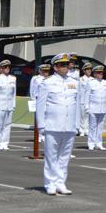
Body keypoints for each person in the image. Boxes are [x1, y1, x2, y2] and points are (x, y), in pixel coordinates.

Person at [36, 53, 80, 195]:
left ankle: (61, 182)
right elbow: (40, 105)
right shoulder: (47, 82)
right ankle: (50, 183)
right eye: (62, 65)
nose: (66, 67)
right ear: (55, 67)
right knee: (51, 156)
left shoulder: (74, 82)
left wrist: (77, 124)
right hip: (52, 125)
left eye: (67, 64)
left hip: (69, 125)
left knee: (64, 156)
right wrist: (41, 125)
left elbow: (77, 105)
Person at [85, 65, 106, 150]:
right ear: (95, 74)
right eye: (98, 73)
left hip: (102, 108)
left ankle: (99, 143)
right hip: (93, 108)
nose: (100, 74)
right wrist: (87, 107)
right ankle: (91, 143)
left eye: (101, 72)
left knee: (100, 127)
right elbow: (87, 96)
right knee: (92, 126)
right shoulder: (91, 83)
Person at [30, 64, 51, 143]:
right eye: (44, 71)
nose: (46, 72)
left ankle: (44, 135)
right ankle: (38, 135)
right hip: (38, 101)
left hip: (47, 101)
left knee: (47, 118)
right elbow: (32, 90)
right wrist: (33, 101)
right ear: (40, 71)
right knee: (39, 119)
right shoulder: (36, 79)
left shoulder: (50, 79)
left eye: (47, 71)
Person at [78, 63, 94, 137]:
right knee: (82, 116)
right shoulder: (80, 80)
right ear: (84, 71)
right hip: (82, 100)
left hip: (90, 101)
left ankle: (86, 129)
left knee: (88, 116)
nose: (89, 70)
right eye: (87, 69)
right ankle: (81, 130)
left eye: (90, 69)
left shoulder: (92, 80)